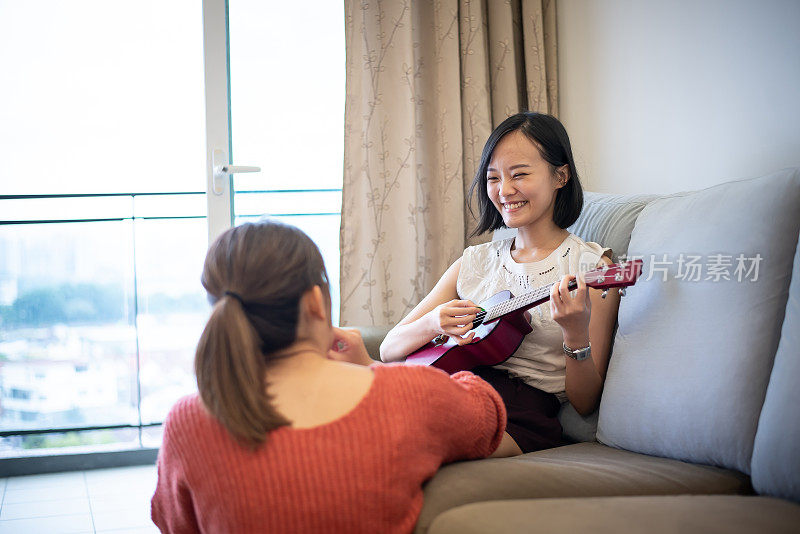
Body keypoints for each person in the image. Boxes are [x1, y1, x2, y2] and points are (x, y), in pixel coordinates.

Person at [151, 221, 507, 534]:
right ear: (314, 304)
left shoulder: (186, 423)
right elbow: (488, 416)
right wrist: (375, 370)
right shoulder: (408, 397)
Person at [380, 112, 620, 455]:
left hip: (519, 412)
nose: (504, 190)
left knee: (400, 435)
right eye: (493, 178)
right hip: (449, 384)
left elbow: (584, 403)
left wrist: (575, 333)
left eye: (519, 174)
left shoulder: (591, 269)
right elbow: (389, 349)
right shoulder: (473, 262)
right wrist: (434, 322)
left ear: (560, 176)